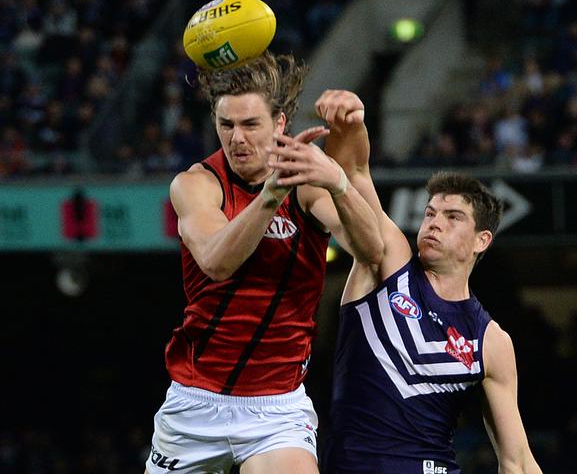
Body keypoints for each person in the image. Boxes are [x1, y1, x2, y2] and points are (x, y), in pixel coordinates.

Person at [145, 54, 383, 474]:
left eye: (250, 125)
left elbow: (372, 250)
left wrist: (337, 180)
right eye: (226, 125)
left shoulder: (308, 184)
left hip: (276, 409)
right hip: (195, 400)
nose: (237, 138)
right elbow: (217, 263)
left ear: (279, 124)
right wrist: (270, 197)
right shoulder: (195, 184)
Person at [309, 91, 543, 473]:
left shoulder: (491, 340)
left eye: (453, 217)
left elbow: (516, 460)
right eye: (431, 212)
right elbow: (353, 174)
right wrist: (351, 122)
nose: (434, 221)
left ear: (482, 240)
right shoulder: (388, 262)